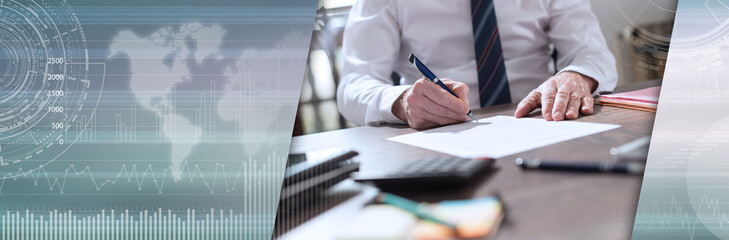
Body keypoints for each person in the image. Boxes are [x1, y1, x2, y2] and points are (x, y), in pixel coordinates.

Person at [337, 0, 617, 128]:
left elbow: (592, 52)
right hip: (441, 136)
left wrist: (575, 76)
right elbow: (353, 84)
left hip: (545, 122)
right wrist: (401, 101)